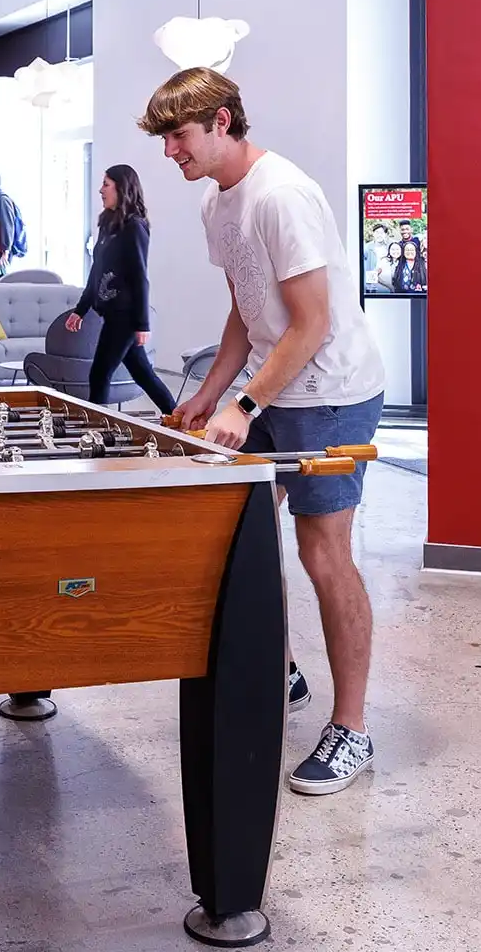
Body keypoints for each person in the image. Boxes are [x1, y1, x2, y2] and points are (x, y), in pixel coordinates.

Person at [149, 66, 387, 797]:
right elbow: (248, 311)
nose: (170, 153)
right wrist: (208, 395)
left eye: (178, 136)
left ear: (221, 121)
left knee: (322, 552)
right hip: (269, 388)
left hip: (330, 394)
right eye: (163, 139)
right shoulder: (217, 205)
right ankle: (280, 671)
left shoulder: (281, 195)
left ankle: (352, 729)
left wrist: (242, 408)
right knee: (239, 531)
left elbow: (311, 323)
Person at [63, 164, 176, 413]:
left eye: (106, 184)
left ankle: (95, 431)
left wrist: (142, 324)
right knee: (143, 373)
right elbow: (97, 271)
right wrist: (80, 310)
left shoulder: (134, 226)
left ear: (121, 187)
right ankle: (177, 418)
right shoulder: (108, 223)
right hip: (110, 313)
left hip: (124, 317)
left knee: (99, 374)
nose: (101, 190)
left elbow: (139, 277)